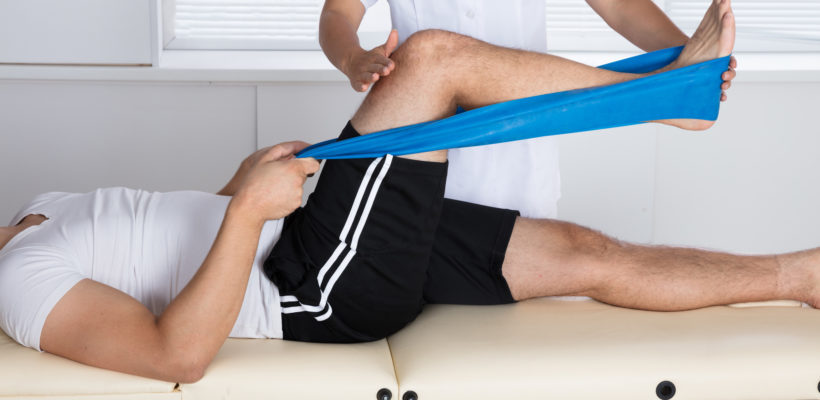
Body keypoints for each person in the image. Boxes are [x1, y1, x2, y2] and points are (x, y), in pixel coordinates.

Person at [2, 2, 804, 387]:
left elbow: (175, 241)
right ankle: (671, 97)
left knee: (583, 253)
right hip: (310, 285)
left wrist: (237, 189)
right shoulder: (16, 282)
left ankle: (797, 276)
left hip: (307, 238)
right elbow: (173, 353)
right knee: (432, 62)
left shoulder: (39, 212)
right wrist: (249, 208)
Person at [319, 0, 738, 220]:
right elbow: (338, 11)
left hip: (521, 152)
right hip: (423, 146)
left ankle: (674, 90)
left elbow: (620, 5)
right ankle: (665, 97)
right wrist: (351, 58)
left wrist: (691, 63)